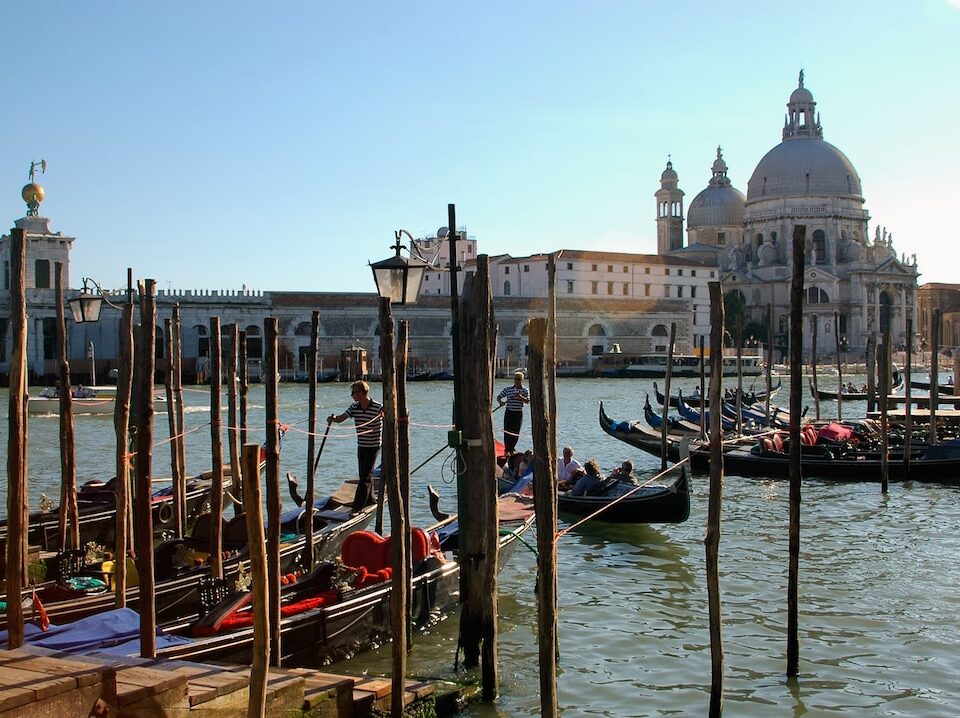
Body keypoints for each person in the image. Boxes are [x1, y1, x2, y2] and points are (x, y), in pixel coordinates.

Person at [327, 380, 383, 513]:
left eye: (353, 393)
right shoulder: (354, 407)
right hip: (362, 445)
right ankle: (370, 499)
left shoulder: (378, 407)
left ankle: (357, 506)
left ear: (362, 393)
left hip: (373, 445)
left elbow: (390, 415)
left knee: (365, 476)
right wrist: (333, 419)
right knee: (364, 474)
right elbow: (342, 418)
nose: (352, 395)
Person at [497, 370, 530, 454]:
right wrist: (501, 402)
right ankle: (507, 450)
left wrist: (520, 397)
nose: (517, 381)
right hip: (509, 412)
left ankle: (511, 449)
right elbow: (499, 397)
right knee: (507, 431)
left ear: (522, 380)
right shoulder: (508, 389)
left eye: (519, 379)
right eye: (516, 379)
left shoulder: (525, 390)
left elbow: (527, 401)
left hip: (518, 413)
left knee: (516, 432)